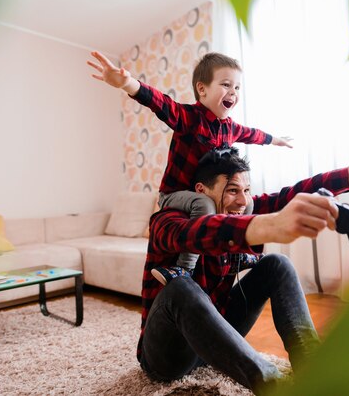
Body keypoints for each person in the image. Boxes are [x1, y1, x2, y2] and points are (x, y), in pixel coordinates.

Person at [139, 141, 349, 395]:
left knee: (277, 264)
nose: (242, 201)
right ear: (201, 191)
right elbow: (197, 233)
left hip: (212, 342)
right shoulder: (166, 221)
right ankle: (273, 385)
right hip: (168, 358)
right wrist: (270, 225)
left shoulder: (243, 206)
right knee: (181, 287)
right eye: (232, 190)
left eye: (246, 191)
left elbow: (296, 193)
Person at [87, 51, 292, 285]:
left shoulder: (231, 128)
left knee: (250, 202)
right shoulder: (189, 118)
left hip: (204, 191)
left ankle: (238, 257)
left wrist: (276, 139)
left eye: (237, 88)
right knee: (203, 203)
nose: (233, 93)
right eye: (226, 85)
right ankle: (183, 269)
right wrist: (127, 83)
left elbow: (253, 135)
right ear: (202, 89)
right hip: (174, 195)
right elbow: (160, 103)